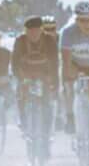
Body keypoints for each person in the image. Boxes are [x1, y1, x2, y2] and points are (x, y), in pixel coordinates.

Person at [59, 2, 89, 153]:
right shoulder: (68, 32)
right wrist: (71, 77)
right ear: (76, 20)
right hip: (76, 64)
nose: (87, 24)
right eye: (82, 20)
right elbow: (66, 61)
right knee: (68, 87)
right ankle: (70, 116)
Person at [10, 15, 59, 144]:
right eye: (30, 31)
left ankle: (46, 131)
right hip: (26, 74)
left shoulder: (49, 40)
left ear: (41, 30)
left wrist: (54, 83)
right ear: (25, 31)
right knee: (21, 95)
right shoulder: (20, 41)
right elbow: (14, 63)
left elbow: (55, 63)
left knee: (47, 102)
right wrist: (21, 79)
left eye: (36, 31)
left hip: (44, 74)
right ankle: (23, 122)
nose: (33, 34)